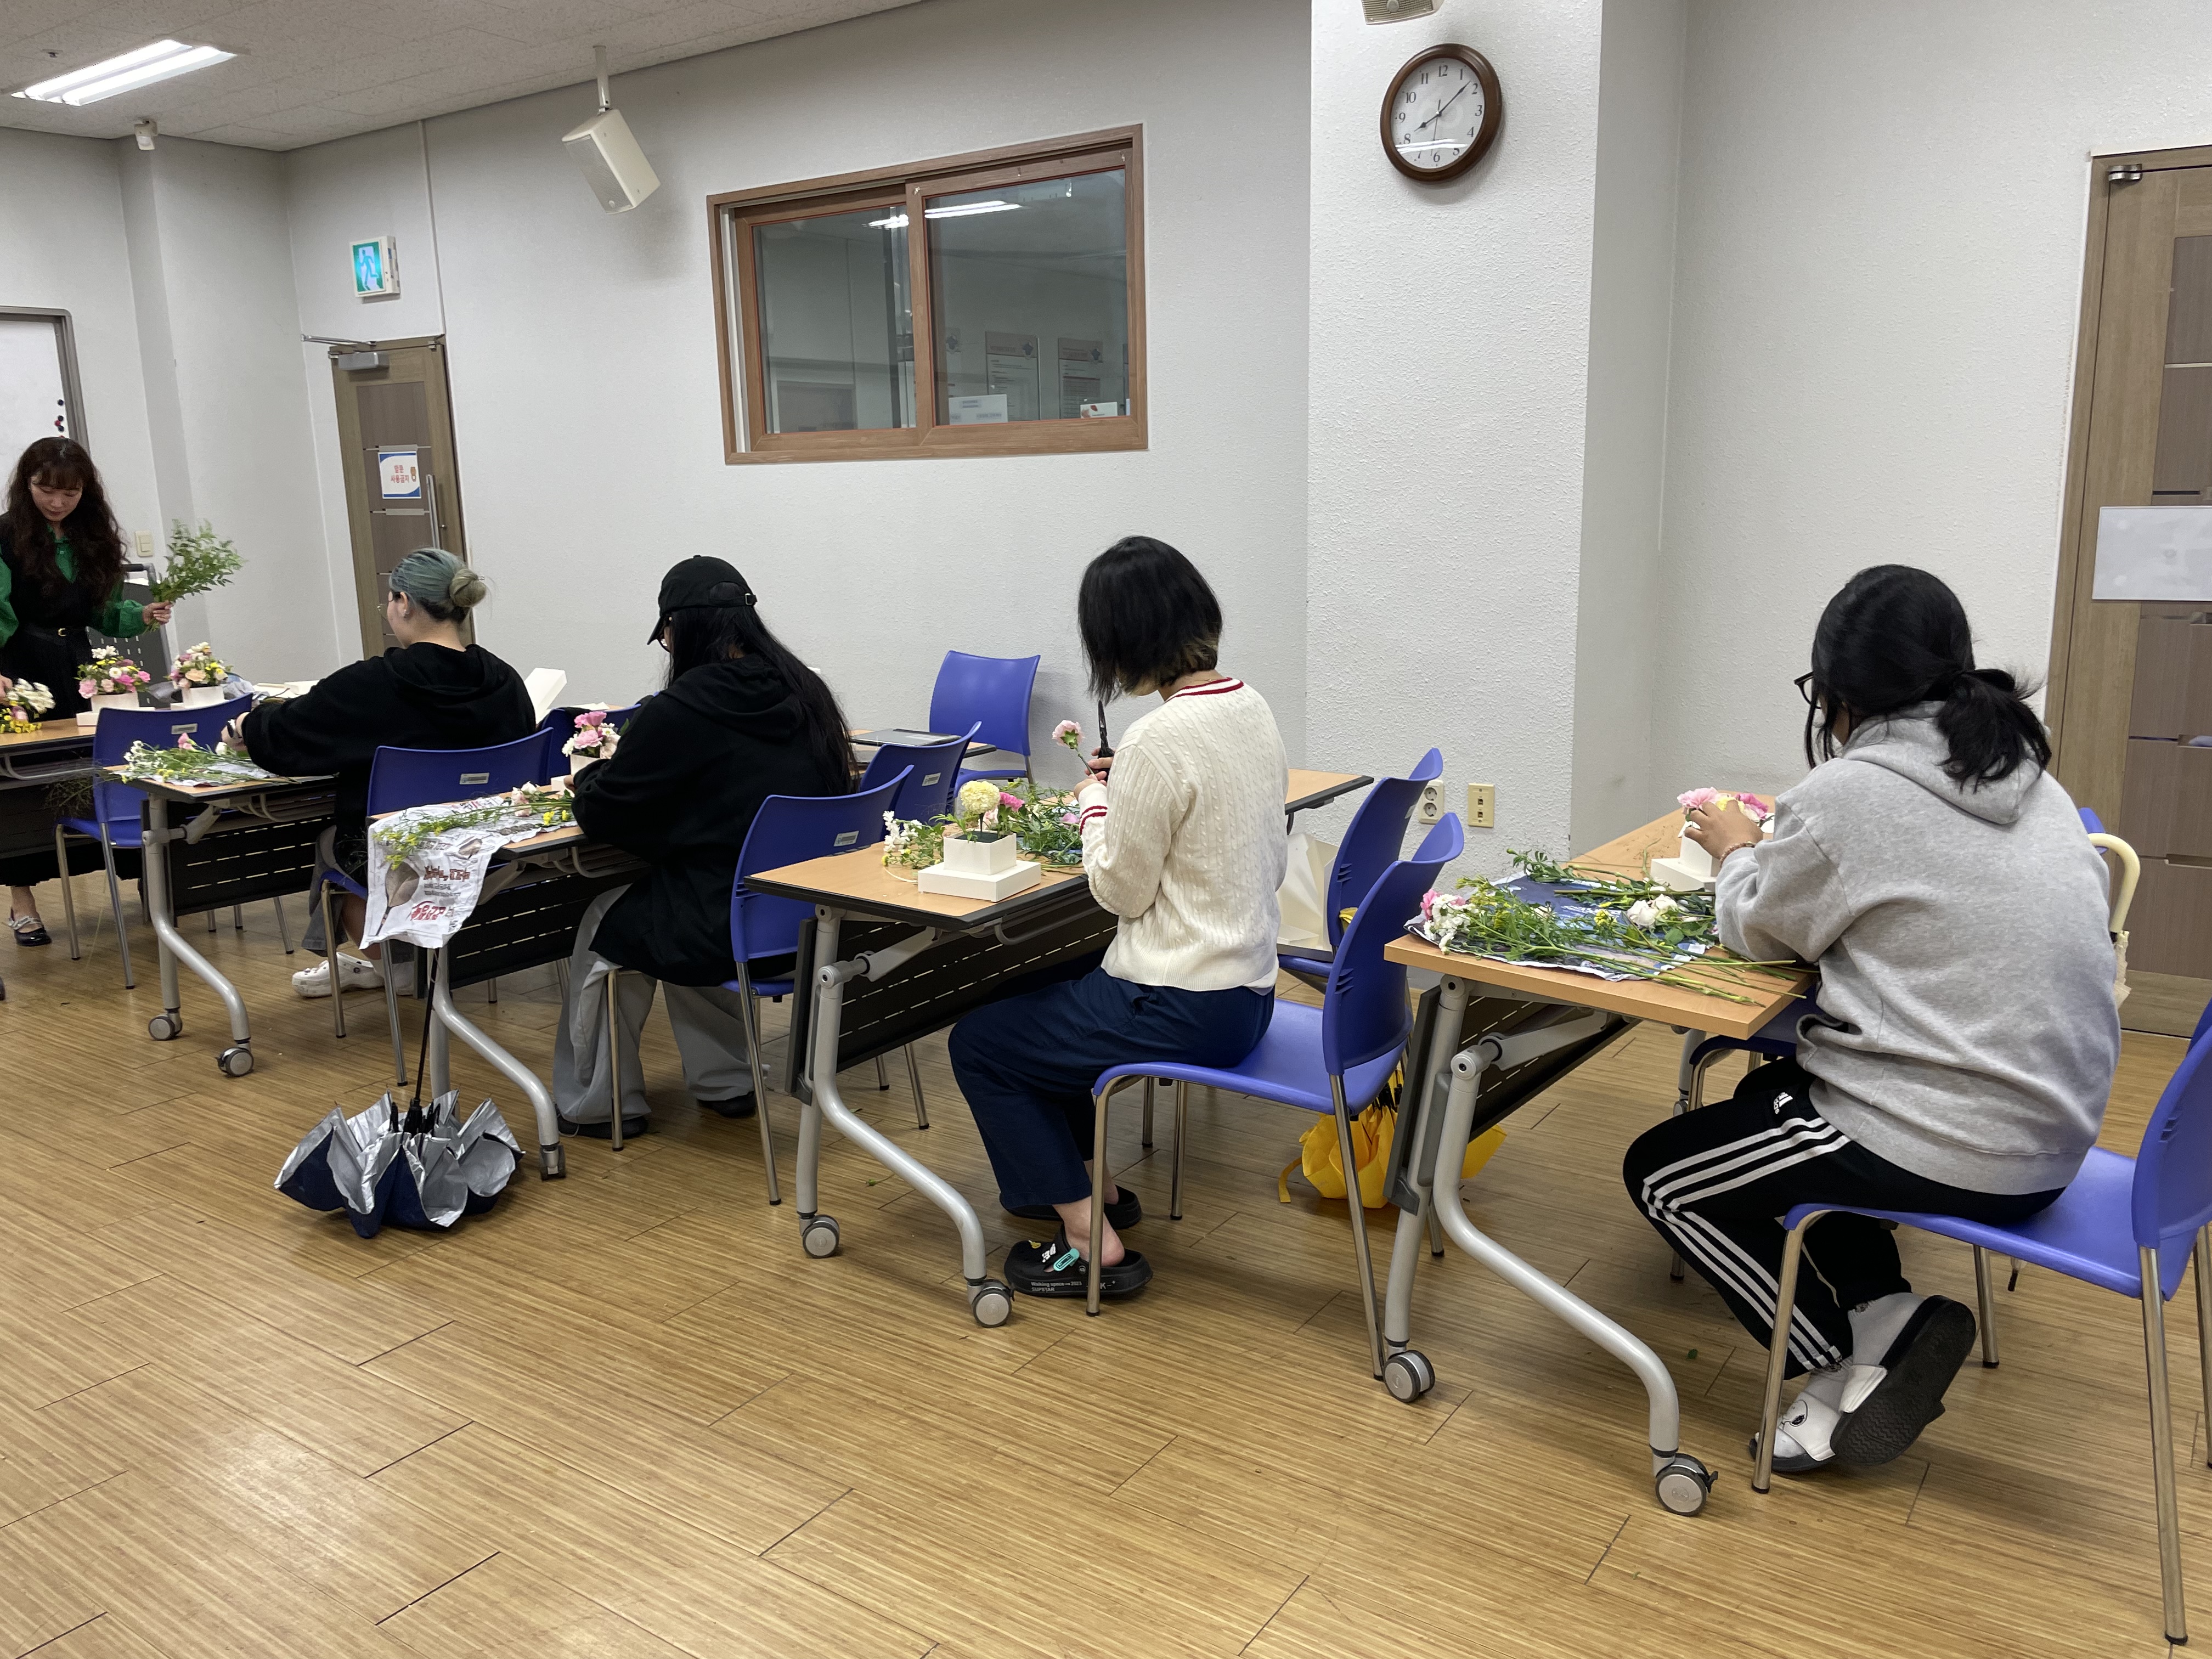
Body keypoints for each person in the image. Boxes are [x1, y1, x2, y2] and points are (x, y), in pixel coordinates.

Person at [1621, 565, 2120, 1473]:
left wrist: (1737, 849)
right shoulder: (2023, 774)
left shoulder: (1850, 793)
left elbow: (1757, 929)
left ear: (1837, 693)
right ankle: (1884, 1309)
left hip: (1954, 1143)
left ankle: (1836, 1366)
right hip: (2053, 1134)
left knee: (1663, 1174)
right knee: (1773, 1092)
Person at [947, 537, 1287, 1300]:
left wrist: (1096, 804)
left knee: (983, 1046)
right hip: (1248, 991)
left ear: (1122, 641)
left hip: (1183, 1002)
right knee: (1044, 1001)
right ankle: (1095, 1187)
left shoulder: (1158, 738)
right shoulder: (1250, 705)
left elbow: (1120, 894)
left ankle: (1089, 1241)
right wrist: (1125, 788)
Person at [550, 555, 853, 1138]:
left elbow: (606, 811)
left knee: (607, 921)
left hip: (720, 922)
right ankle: (728, 1080)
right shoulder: (807, 692)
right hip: (809, 920)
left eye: (666, 635)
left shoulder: (681, 709)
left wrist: (589, 776)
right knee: (683, 898)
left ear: (679, 628)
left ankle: (597, 1105)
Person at [233, 548, 532, 996]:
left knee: (334, 843)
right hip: (487, 848)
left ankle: (396, 967)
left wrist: (246, 725)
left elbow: (290, 733)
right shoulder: (504, 680)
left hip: (400, 851)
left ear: (404, 603)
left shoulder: (373, 684)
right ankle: (409, 959)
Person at [0, 437, 173, 946]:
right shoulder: (5, 536)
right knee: (22, 785)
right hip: (20, 666)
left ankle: (146, 884)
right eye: (46, 490)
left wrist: (142, 615)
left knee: (98, 768)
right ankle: (22, 901)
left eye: (70, 493)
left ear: (85, 491)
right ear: (27, 485)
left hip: (77, 664)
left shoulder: (91, 537)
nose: (57, 502)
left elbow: (104, 611)